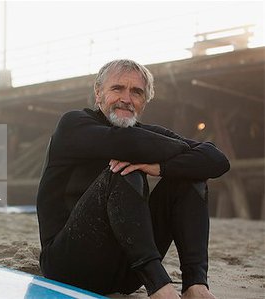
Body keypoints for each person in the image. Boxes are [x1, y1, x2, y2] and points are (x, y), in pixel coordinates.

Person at [36, 59, 230, 299]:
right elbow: (129, 143)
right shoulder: (74, 124)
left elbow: (217, 160)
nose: (126, 98)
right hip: (68, 265)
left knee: (190, 175)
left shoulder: (145, 133)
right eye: (117, 88)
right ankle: (159, 285)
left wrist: (161, 167)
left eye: (136, 92)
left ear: (144, 102)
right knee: (122, 171)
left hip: (126, 272)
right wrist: (177, 152)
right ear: (98, 93)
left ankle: (195, 284)